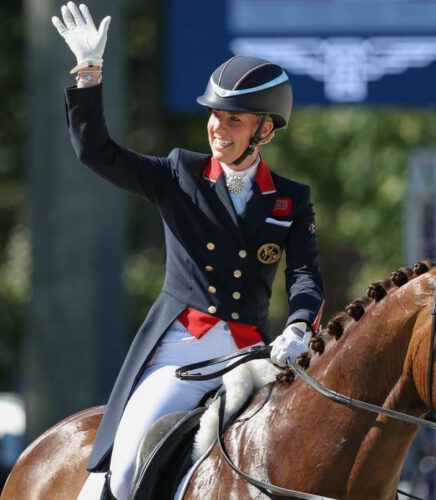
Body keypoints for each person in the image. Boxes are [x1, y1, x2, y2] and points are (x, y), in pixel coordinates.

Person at [52, 3, 324, 498]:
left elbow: (305, 276)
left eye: (234, 119)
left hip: (252, 353)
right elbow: (98, 152)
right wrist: (89, 75)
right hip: (182, 349)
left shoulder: (291, 198)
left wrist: (300, 325)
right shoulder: (179, 174)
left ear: (264, 130)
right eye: (214, 116)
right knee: (132, 465)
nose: (218, 127)